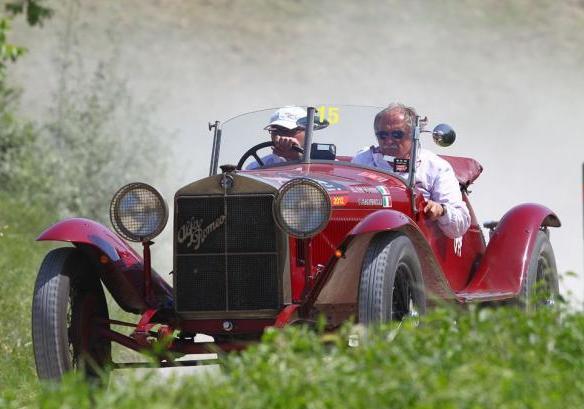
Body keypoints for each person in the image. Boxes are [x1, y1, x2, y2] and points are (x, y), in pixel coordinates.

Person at [351, 103, 470, 239]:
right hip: (364, 238)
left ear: (414, 134)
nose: (389, 141)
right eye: (382, 135)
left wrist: (441, 210)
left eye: (397, 134)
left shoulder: (435, 167)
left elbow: (460, 226)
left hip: (417, 245)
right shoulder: (363, 160)